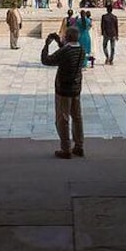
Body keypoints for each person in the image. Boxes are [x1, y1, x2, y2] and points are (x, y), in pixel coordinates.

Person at [41, 27, 85, 159]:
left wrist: (46, 45)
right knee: (77, 117)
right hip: (76, 88)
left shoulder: (65, 51)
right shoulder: (81, 49)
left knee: (63, 119)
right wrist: (59, 42)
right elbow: (67, 52)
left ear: (67, 37)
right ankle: (79, 146)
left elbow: (47, 60)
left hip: (64, 89)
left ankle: (66, 149)